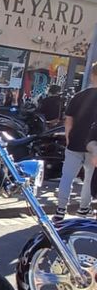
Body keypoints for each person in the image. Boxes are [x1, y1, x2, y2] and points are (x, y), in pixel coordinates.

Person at [54, 62, 97, 221]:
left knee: (67, 176)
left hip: (75, 142)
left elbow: (68, 120)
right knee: (89, 179)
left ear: (92, 75)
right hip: (94, 146)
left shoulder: (78, 96)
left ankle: (60, 209)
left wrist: (68, 137)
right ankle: (83, 209)